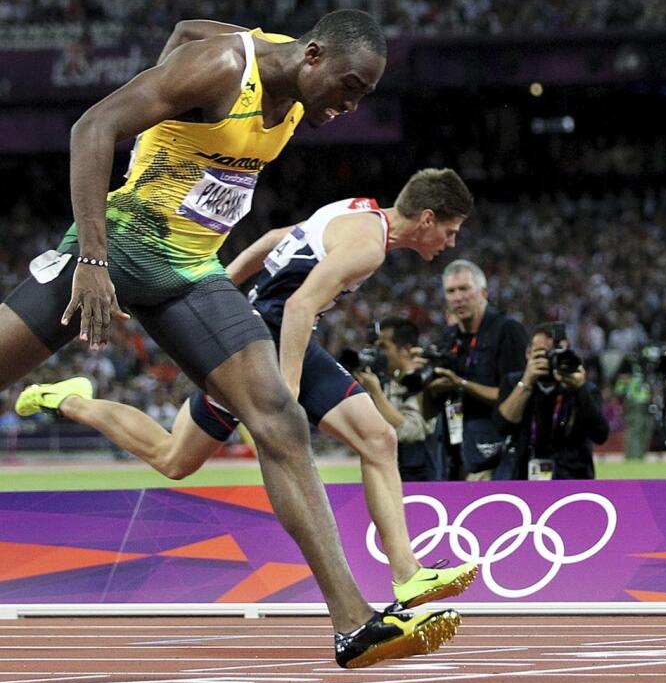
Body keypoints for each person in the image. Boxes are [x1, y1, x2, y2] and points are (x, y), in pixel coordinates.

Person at [0, 11, 460, 667]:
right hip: (122, 246)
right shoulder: (223, 67)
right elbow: (92, 126)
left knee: (280, 417)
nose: (349, 105)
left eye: (363, 96)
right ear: (315, 55)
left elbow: (185, 25)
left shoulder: (296, 83)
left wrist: (169, 96)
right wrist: (94, 262)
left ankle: (354, 621)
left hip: (192, 273)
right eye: (348, 86)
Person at [21, 169, 480, 611]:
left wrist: (222, 295)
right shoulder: (368, 246)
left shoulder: (356, 210)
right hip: (270, 341)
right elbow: (301, 306)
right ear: (426, 219)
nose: (451, 242)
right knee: (373, 439)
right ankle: (406, 572)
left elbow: (273, 238)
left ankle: (70, 399)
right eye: (451, 230)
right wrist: (287, 395)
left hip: (253, 335)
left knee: (175, 457)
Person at [428, 260, 528, 480]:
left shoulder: (507, 331)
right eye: (451, 291)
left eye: (464, 289)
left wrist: (461, 384)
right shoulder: (449, 338)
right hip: (454, 452)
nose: (458, 297)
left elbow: (515, 397)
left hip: (496, 453)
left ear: (483, 292)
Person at [494, 323, 610, 480]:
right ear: (528, 354)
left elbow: (600, 435)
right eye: (542, 354)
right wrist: (526, 382)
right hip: (523, 479)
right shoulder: (514, 383)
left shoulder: (584, 389)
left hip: (572, 481)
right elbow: (502, 426)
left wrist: (579, 389)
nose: (549, 360)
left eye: (556, 354)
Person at [360, 316, 445, 482]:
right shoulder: (388, 382)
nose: (379, 354)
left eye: (384, 347)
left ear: (405, 349)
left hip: (421, 480)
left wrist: (376, 393)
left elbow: (412, 432)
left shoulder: (425, 381)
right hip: (390, 474)